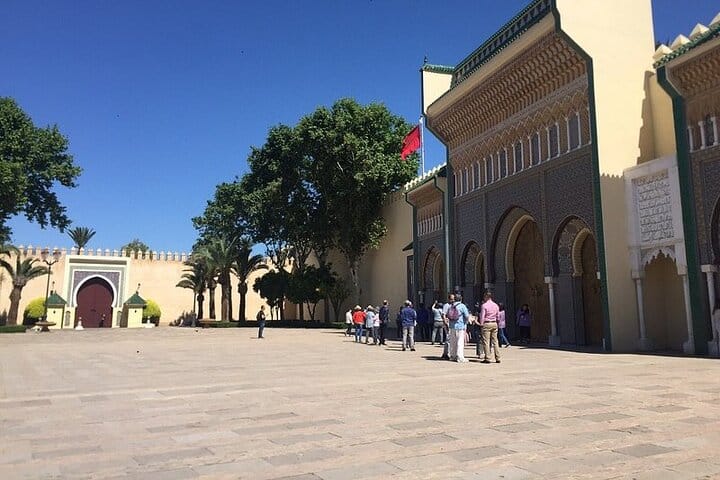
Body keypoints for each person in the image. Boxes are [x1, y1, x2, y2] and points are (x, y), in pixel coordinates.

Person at [446, 293, 470, 362]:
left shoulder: (451, 306)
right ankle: (460, 357)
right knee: (460, 342)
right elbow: (467, 316)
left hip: (451, 326)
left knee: (453, 342)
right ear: (461, 299)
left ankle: (452, 356)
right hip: (460, 326)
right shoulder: (462, 306)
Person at [478, 292, 500, 363]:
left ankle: (488, 358)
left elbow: (482, 316)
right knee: (495, 341)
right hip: (494, 323)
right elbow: (498, 316)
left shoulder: (484, 305)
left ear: (486, 297)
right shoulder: (496, 305)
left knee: (486, 341)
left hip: (487, 323)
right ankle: (498, 357)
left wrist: (481, 324)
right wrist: (497, 322)